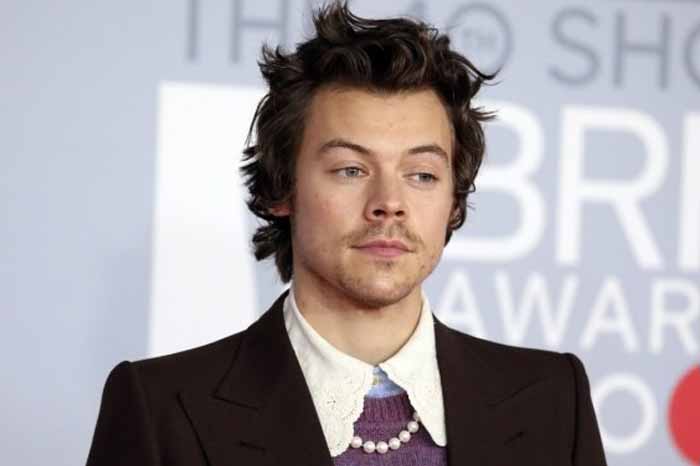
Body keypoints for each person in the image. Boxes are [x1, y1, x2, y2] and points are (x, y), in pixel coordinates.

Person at [86, 2, 607, 465]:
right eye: (350, 170)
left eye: (422, 174)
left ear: (453, 201)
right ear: (282, 188)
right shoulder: (162, 410)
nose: (389, 203)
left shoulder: (553, 401)